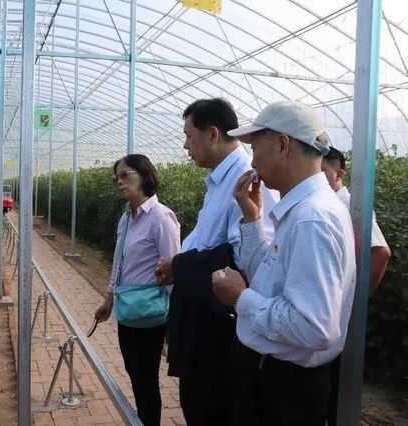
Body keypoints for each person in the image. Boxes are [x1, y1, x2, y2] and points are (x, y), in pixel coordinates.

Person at [212, 100, 357, 426]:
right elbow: (267, 281)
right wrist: (252, 219)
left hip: (283, 391)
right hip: (274, 380)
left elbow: (313, 328)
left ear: (282, 144)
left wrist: (240, 298)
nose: (252, 161)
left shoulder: (312, 219)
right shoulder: (301, 211)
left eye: (255, 148)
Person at [154, 98, 278, 425]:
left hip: (220, 331)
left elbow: (245, 261)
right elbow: (214, 243)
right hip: (205, 320)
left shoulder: (245, 180)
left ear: (212, 134)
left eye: (188, 136)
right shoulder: (220, 181)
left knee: (212, 408)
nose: (185, 145)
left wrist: (180, 266)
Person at [94, 154, 180, 426]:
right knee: (134, 371)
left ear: (145, 176)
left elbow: (174, 270)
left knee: (146, 377)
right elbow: (118, 263)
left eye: (125, 175)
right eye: (116, 178)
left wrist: (174, 321)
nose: (119, 182)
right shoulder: (127, 218)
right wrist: (109, 299)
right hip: (128, 309)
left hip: (149, 311)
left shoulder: (161, 217)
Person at [321, 146, 391, 426]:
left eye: (322, 173)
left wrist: (354, 303)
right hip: (330, 316)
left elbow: (380, 253)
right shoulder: (327, 203)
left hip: (339, 317)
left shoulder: (351, 205)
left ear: (339, 174)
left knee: (337, 392)